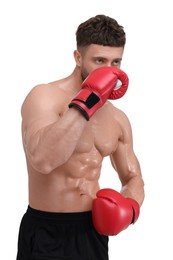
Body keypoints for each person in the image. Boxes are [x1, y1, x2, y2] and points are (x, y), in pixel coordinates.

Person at [16, 14, 145, 260]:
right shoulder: (44, 97)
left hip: (92, 233)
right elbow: (43, 160)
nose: (110, 71)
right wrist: (87, 101)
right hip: (47, 230)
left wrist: (130, 207)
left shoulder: (118, 118)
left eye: (116, 62)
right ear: (78, 58)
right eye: (99, 60)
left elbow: (133, 176)